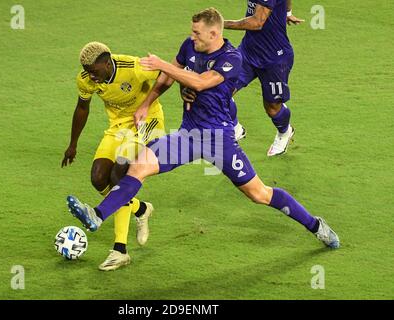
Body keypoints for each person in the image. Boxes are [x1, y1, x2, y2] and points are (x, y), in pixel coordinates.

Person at [66, 8, 340, 257]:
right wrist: (145, 104)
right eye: (191, 31)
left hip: (219, 140)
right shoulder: (189, 47)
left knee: (259, 194)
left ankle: (316, 225)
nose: (191, 36)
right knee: (138, 166)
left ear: (213, 33)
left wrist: (163, 65)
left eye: (196, 32)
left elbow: (200, 81)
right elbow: (169, 78)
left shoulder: (232, 57)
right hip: (188, 135)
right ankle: (97, 215)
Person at [61, 42, 166, 270]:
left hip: (147, 123)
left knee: (119, 175)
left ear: (108, 64)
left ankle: (120, 250)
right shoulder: (86, 78)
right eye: (88, 71)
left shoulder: (134, 67)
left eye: (95, 72)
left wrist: (147, 104)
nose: (91, 76)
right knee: (98, 177)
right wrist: (73, 144)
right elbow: (82, 107)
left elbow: (168, 73)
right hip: (118, 126)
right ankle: (139, 208)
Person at [223, 0, 304, 156]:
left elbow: (257, 22)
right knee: (221, 89)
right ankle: (235, 129)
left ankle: (284, 132)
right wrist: (287, 12)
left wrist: (219, 24)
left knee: (272, 108)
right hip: (248, 52)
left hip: (274, 59)